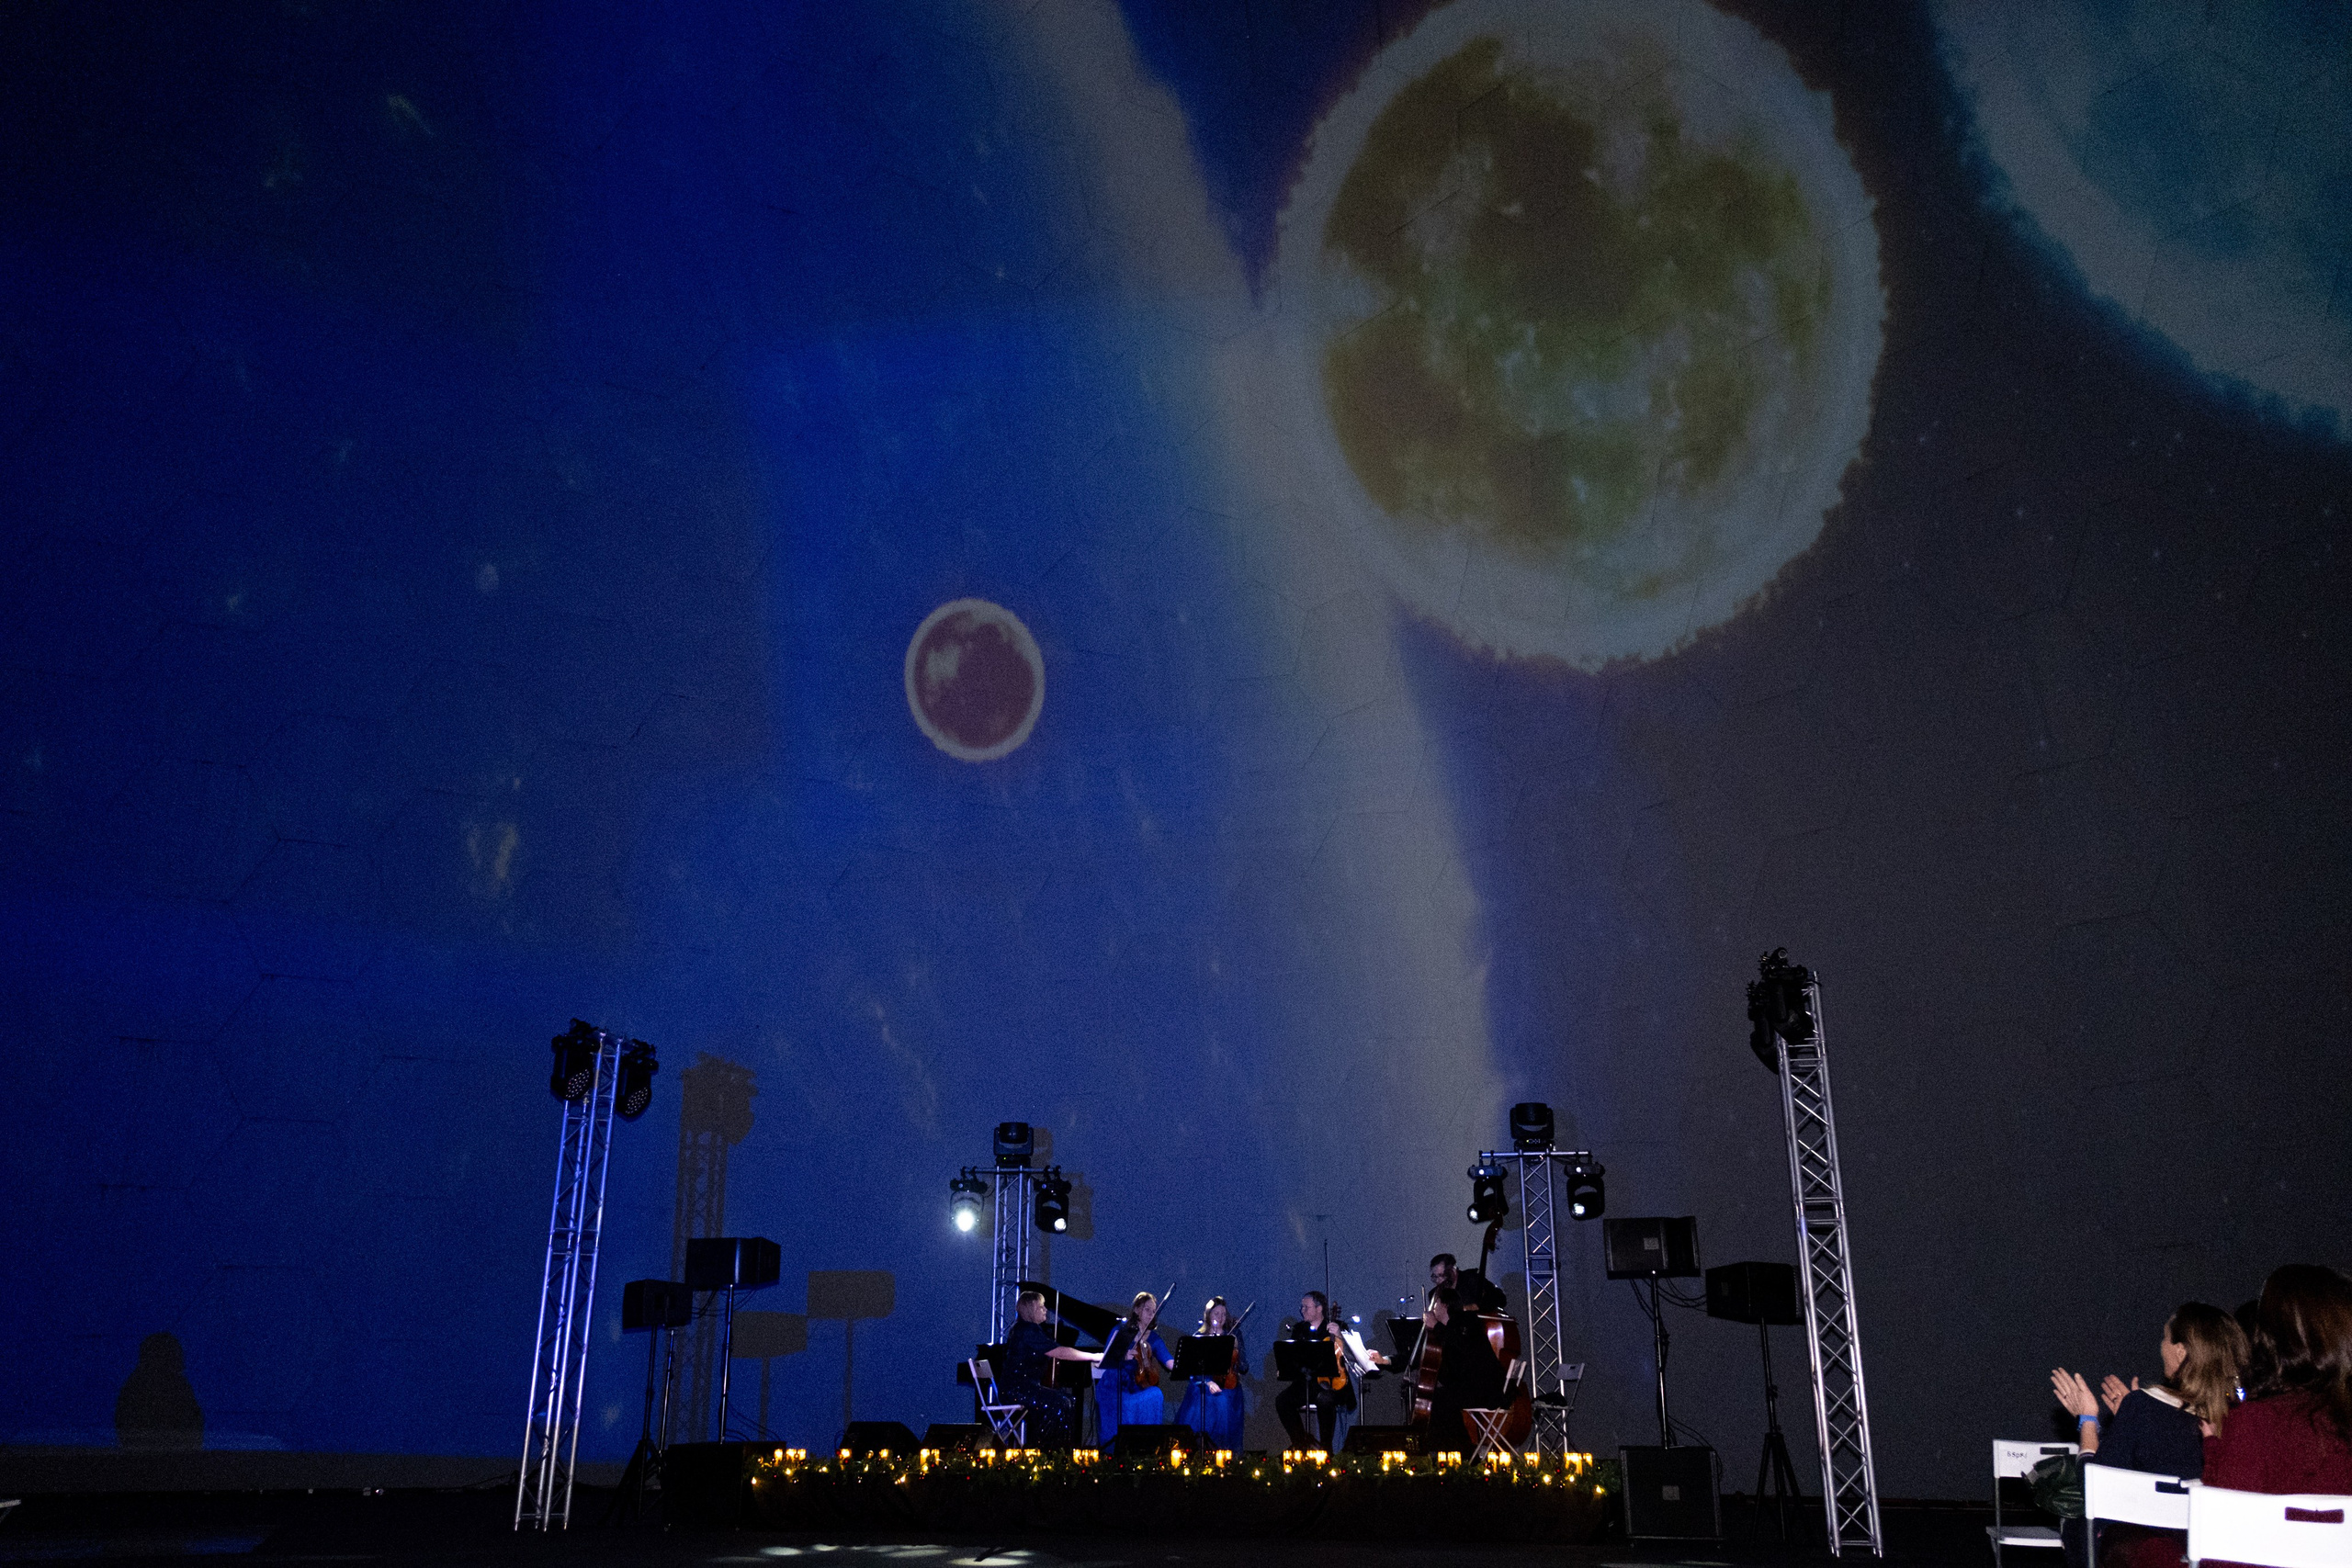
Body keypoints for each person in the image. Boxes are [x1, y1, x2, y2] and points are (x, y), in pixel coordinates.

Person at [2050, 1303, 2247, 1568]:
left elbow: (2095, 1491)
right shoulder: (2244, 1415)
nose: (2161, 1346)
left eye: (2165, 1337)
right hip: (2215, 1550)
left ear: (2180, 1351)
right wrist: (2129, 1419)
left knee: (2075, 1520)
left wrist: (2088, 1421)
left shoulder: (2143, 1406)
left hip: (2149, 1552)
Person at [2204, 1264, 2352, 1495]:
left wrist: (2213, 1446)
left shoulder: (2256, 1424)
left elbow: (2226, 1510)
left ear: (2269, 1336)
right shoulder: (2337, 1417)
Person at [997, 1290, 1100, 1447]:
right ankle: (1044, 1449)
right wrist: (1093, 1356)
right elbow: (1059, 1352)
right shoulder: (1027, 1330)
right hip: (1016, 1390)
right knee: (1059, 1402)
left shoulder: (1027, 1329)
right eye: (1041, 1307)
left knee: (1068, 1400)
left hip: (1023, 1388)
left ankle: (1059, 1449)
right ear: (1030, 1310)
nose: (1045, 1310)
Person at [1421, 1285, 1503, 1452]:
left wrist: (1436, 1326)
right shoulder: (1444, 1331)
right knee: (1440, 1398)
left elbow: (1463, 1346)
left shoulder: (1467, 1321)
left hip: (1485, 1389)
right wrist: (1388, 1361)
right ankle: (1450, 1450)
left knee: (1442, 1400)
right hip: (1467, 1387)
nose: (1433, 1309)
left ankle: (1462, 1451)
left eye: (1435, 1304)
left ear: (1444, 1305)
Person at [1276, 1292, 1353, 1453]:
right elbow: (1294, 1358)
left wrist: (1339, 1335)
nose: (1302, 1310)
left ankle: (1326, 1448)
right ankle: (1301, 1443)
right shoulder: (1300, 1329)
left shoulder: (1338, 1326)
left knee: (1325, 1399)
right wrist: (1286, 1369)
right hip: (1307, 1382)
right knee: (1282, 1401)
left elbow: (1351, 1355)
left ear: (1319, 1309)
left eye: (1306, 1307)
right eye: (1302, 1307)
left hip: (1334, 1384)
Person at [1095, 1291, 1172, 1447]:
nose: (1151, 1314)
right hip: (1114, 1387)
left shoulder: (1154, 1338)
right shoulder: (1121, 1331)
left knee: (1155, 1394)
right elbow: (1106, 1358)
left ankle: (1146, 1446)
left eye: (1153, 1311)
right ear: (1137, 1310)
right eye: (1147, 1309)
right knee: (1123, 1405)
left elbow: (1168, 1361)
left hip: (1137, 1388)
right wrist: (1123, 1356)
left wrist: (1185, 1365)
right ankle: (1118, 1447)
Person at [1172, 1296, 1247, 1449]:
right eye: (1216, 1313)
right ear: (1208, 1315)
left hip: (1227, 1385)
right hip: (1203, 1383)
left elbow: (1244, 1367)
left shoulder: (1232, 1336)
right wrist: (1208, 1382)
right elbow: (1191, 1371)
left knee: (1223, 1399)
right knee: (1205, 1398)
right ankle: (1198, 1447)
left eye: (1223, 1314)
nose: (1220, 1318)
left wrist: (1238, 1348)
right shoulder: (1199, 1337)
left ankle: (1220, 1450)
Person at [1430, 1252, 1506, 1314]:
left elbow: (1500, 1298)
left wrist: (1472, 1307)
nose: (1438, 1281)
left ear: (1453, 1270)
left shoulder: (1471, 1279)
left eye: (1442, 1275)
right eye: (1435, 1277)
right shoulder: (1436, 1294)